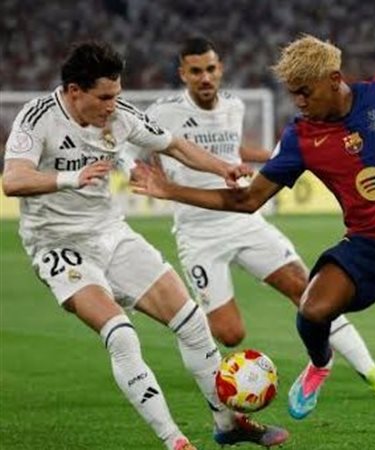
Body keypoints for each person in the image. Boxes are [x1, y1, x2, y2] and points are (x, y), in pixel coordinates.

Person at [130, 35, 375, 450]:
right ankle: (320, 364)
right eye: (292, 93)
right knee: (311, 310)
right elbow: (248, 200)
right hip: (365, 241)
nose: (298, 102)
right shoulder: (301, 136)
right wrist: (169, 190)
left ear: (333, 79)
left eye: (305, 92)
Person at [1, 42, 289, 450]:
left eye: (116, 95)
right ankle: (175, 441)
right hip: (57, 245)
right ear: (74, 91)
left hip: (111, 234)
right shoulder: (38, 118)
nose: (112, 106)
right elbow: (13, 180)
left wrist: (223, 166)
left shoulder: (120, 116)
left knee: (192, 322)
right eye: (104, 97)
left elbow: (175, 146)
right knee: (121, 336)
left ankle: (228, 424)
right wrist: (70, 178)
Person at [125, 36, 375, 398]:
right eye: (196, 71)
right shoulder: (163, 112)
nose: (205, 77)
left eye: (211, 69)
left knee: (306, 289)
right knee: (231, 333)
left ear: (220, 69)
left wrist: (274, 158)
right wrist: (138, 171)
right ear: (182, 73)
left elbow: (230, 146)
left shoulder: (233, 106)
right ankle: (173, 315)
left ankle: (372, 372)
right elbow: (131, 145)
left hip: (245, 222)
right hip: (198, 233)